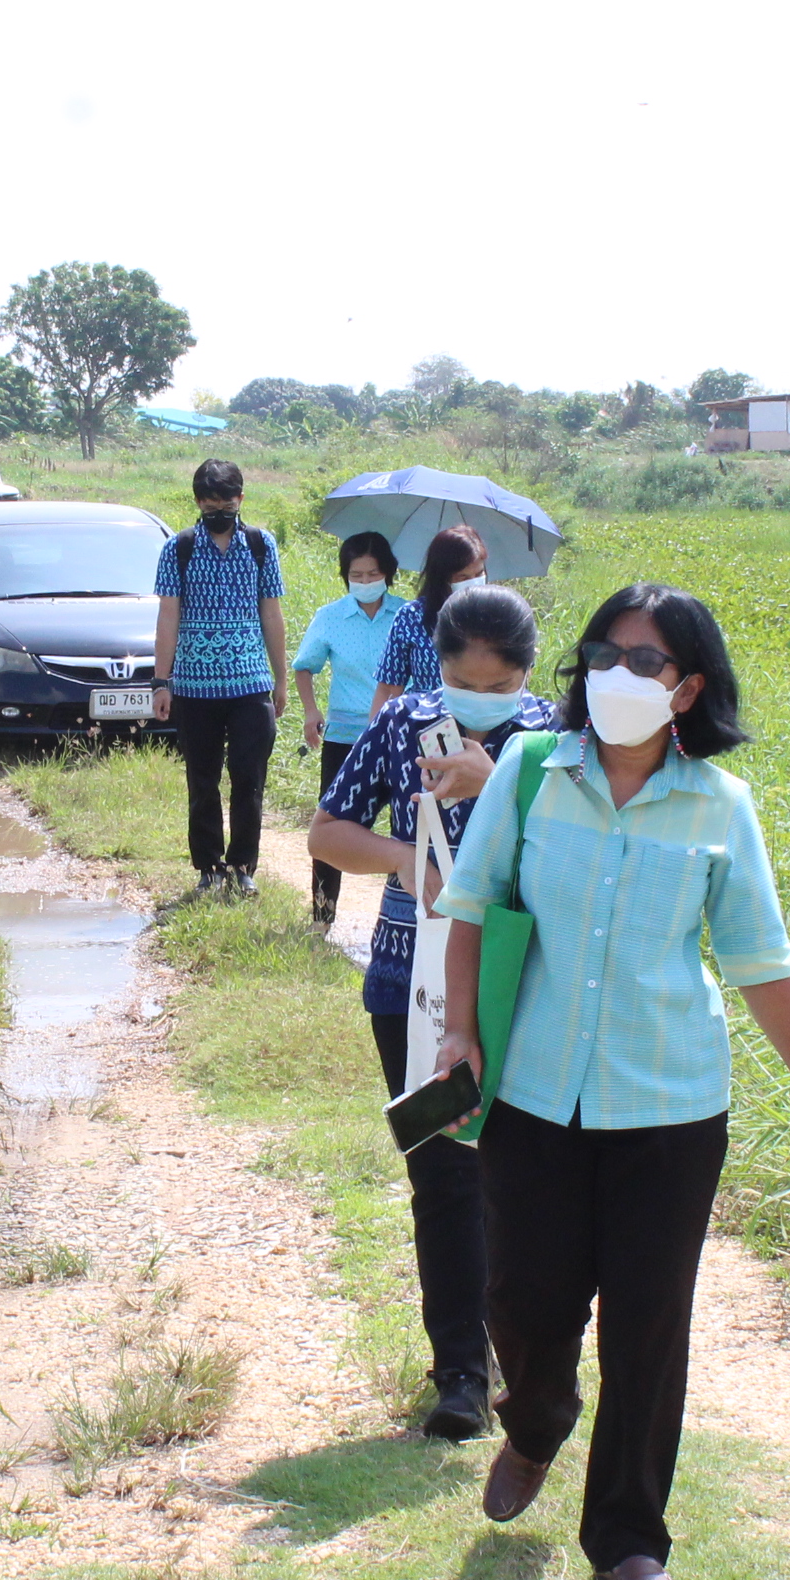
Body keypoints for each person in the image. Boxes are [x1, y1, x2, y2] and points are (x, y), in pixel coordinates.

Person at [433, 582, 790, 1580]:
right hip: (533, 1093)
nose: (618, 675)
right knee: (523, 1303)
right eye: (603, 654)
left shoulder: (719, 808)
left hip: (669, 1104)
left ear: (689, 686)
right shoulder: (529, 773)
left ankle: (626, 1536)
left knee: (649, 1325)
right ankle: (536, 1421)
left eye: (646, 661)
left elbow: (758, 956)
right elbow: (473, 903)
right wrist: (458, 1028)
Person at [309, 583, 559, 1441]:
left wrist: (503, 779)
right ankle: (460, 1372)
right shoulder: (405, 725)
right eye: (466, 681)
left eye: (500, 686)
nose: (482, 700)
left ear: (525, 674)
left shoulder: (558, 740)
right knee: (443, 1175)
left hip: (526, 985)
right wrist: (404, 862)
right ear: (439, 665)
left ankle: (528, 1365)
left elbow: (584, 849)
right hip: (409, 989)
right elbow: (326, 832)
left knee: (524, 1181)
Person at [149, 457, 288, 900]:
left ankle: (244, 867)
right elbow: (168, 616)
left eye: (226, 502)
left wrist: (280, 680)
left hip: (250, 685)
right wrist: (160, 681)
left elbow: (272, 614)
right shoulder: (179, 548)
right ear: (198, 503)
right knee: (202, 781)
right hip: (193, 688)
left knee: (249, 780)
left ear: (241, 499)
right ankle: (209, 868)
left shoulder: (261, 545)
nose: (219, 511)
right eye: (210, 504)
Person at [288, 532, 400, 929]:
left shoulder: (406, 617)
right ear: (345, 575)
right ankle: (322, 917)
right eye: (357, 573)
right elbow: (304, 664)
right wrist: (310, 710)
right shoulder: (330, 616)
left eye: (373, 573)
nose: (366, 580)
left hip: (397, 738)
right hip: (344, 739)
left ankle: (404, 916)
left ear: (388, 574)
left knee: (406, 828)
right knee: (332, 826)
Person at [369, 524, 486, 716]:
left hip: (481, 720)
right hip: (425, 725)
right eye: (462, 577)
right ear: (442, 578)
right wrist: (374, 737)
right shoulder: (413, 617)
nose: (472, 582)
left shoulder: (499, 614)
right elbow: (389, 688)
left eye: (479, 574)